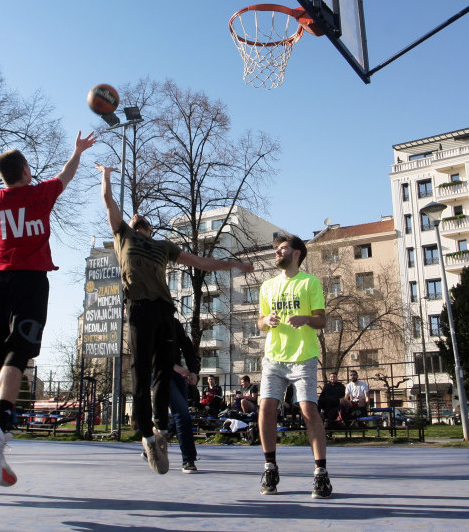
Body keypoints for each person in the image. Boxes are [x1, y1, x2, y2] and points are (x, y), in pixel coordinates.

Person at [96, 163, 253, 475]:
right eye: (134, 218)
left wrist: (230, 264)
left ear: (150, 228)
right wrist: (107, 175)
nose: (137, 220)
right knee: (141, 369)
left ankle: (159, 428)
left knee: (162, 371)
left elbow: (197, 260)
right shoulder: (123, 235)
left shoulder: (162, 245)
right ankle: (146, 434)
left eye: (141, 221)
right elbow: (108, 202)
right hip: (139, 309)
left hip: (164, 313)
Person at [0, 133, 97, 487]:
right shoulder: (39, 193)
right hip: (30, 280)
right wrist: (77, 151)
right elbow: (65, 176)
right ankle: (0, 430)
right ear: (25, 170)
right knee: (19, 353)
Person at [256, 233, 332, 499]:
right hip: (274, 357)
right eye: (276, 249)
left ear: (297, 253)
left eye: (282, 248)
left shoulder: (310, 283)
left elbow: (321, 320)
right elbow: (259, 322)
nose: (277, 252)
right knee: (265, 407)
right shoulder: (267, 286)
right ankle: (270, 467)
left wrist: (306, 319)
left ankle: (320, 473)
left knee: (308, 409)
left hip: (303, 357)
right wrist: (268, 321)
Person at [170, 318, 200, 473]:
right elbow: (149, 352)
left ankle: (155, 445)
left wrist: (193, 371)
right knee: (182, 414)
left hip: (177, 374)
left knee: (179, 415)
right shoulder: (150, 321)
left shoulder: (174, 323)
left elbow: (187, 346)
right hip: (160, 373)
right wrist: (173, 366)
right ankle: (188, 459)